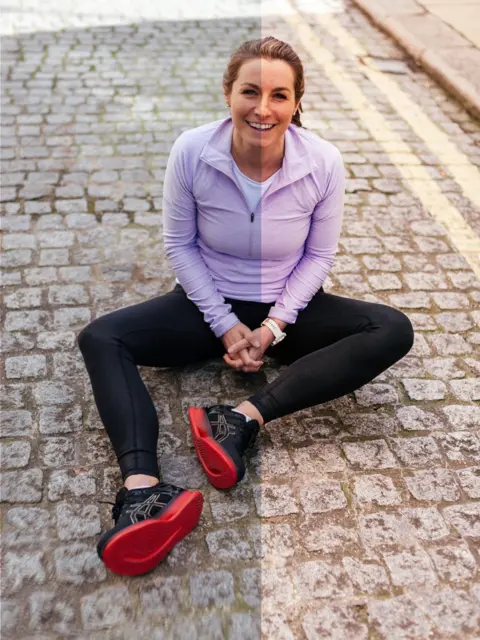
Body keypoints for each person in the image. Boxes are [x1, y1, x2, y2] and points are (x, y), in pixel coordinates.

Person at [77, 36, 414, 576]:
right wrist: (226, 324)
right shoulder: (192, 150)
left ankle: (239, 420)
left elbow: (319, 255)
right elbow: (180, 247)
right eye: (250, 92)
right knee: (100, 337)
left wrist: (276, 325)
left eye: (279, 95)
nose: (263, 108)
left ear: (297, 101)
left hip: (288, 308)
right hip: (206, 305)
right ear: (228, 93)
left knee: (392, 328)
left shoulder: (323, 161)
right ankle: (142, 490)